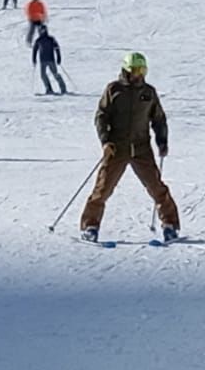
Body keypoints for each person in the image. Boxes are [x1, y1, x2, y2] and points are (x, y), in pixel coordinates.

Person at [79, 53, 179, 242]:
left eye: (142, 70)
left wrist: (162, 141)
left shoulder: (148, 92)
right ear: (126, 70)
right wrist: (105, 141)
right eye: (135, 70)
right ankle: (90, 226)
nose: (138, 74)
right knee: (103, 189)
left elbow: (158, 118)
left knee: (156, 187)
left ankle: (170, 225)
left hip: (141, 148)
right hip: (117, 148)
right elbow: (101, 116)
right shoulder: (114, 90)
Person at [33, 24, 66, 95]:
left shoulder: (51, 39)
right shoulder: (38, 40)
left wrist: (59, 57)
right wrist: (34, 59)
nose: (42, 31)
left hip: (51, 59)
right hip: (42, 60)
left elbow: (57, 48)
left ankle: (63, 88)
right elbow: (35, 50)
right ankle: (49, 89)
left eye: (43, 30)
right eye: (40, 30)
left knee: (55, 74)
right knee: (43, 75)